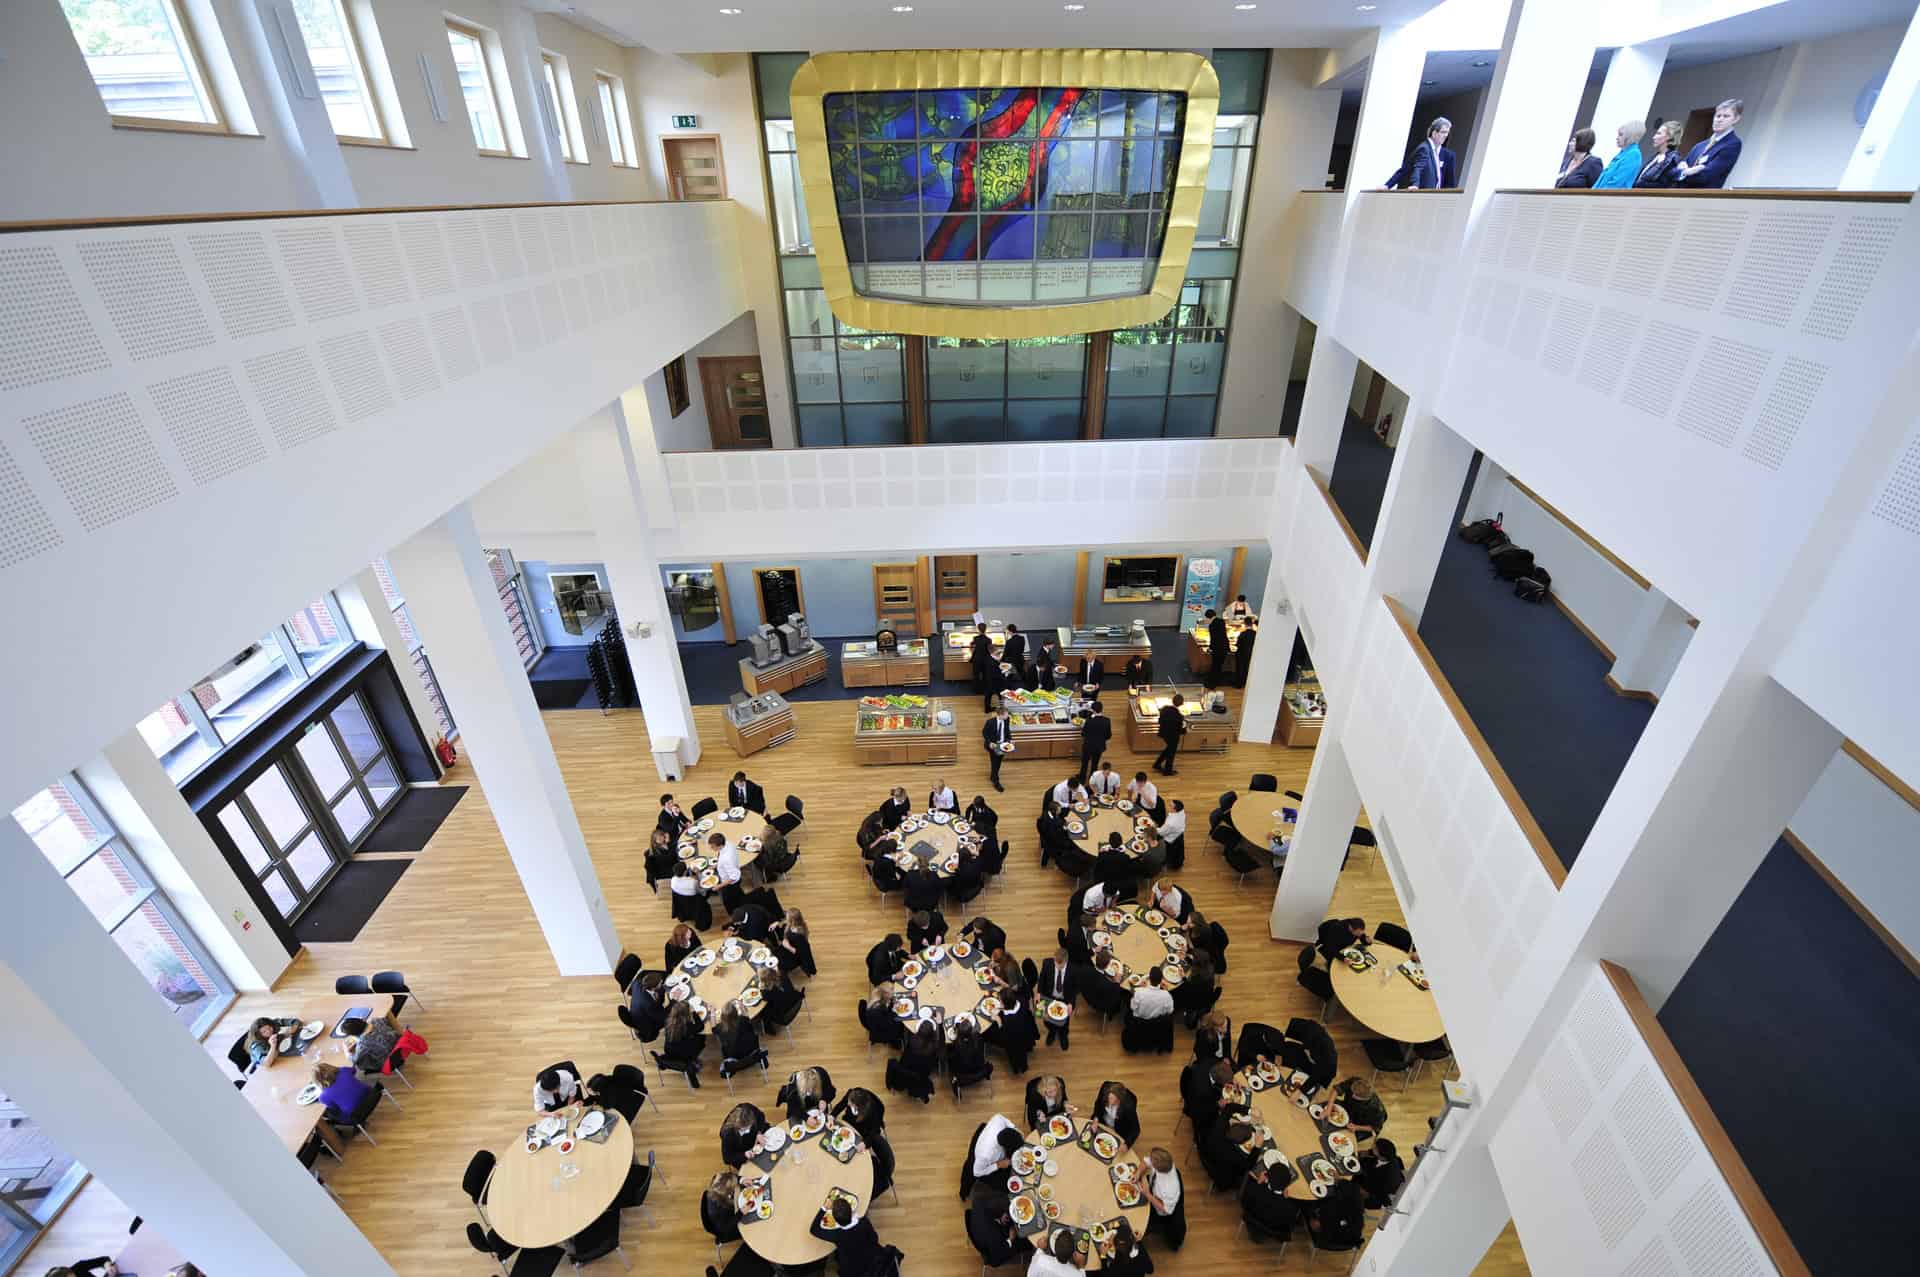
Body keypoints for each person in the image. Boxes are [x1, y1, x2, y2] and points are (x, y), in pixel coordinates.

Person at [1675, 98, 1744, 188]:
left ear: (1736, 119)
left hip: (1701, 198)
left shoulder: (1733, 144)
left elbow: (1705, 177)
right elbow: (1675, 170)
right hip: (1678, 194)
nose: (1719, 119)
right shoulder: (1699, 145)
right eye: (1718, 116)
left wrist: (1682, 173)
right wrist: (1685, 172)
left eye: (1726, 116)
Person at [1240, 1154, 1301, 1238]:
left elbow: (1244, 1201)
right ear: (1287, 1185)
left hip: (1252, 1219)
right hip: (1273, 1231)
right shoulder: (1290, 1209)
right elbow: (1289, 1223)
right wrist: (1286, 1199)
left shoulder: (1253, 1191)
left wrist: (1258, 1183)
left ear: (1267, 1178)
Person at [966, 1188, 1028, 1269]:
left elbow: (991, 1213)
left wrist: (1000, 1219)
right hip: (995, 1253)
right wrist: (1011, 1239)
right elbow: (999, 1254)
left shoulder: (977, 1202)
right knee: (1026, 1242)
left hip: (980, 1227)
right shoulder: (993, 1237)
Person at [1393, 116, 1456, 189]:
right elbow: (1415, 168)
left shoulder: (1449, 155)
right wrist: (1415, 184)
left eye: (1447, 133)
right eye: (1443, 132)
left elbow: (1450, 183)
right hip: (1425, 195)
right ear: (1434, 133)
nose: (1445, 135)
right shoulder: (1424, 148)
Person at [970, 1113, 1024, 1196]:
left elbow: (1002, 1118)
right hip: (986, 1168)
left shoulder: (998, 1121)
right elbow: (976, 1172)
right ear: (1005, 1147)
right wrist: (998, 1165)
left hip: (998, 1152)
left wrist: (1015, 1128)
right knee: (1005, 1184)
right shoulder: (986, 1155)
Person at [1142, 1148, 1186, 1249]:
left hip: (1162, 1212)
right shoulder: (1164, 1163)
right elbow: (1146, 1161)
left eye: (1152, 1161)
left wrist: (1148, 1195)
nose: (1149, 1159)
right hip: (1154, 1192)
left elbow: (1166, 1209)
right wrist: (1137, 1174)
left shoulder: (1169, 1189)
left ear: (1157, 1167)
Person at [1306, 1178, 1367, 1250]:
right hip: (1329, 1216)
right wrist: (1339, 1181)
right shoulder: (1356, 1204)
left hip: (1331, 1236)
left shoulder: (1351, 1224)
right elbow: (1354, 1190)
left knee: (1307, 1201)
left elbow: (1329, 1228)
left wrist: (1321, 1224)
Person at [1036, 948, 1077, 1049]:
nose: (1057, 967)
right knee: (1046, 1019)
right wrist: (1038, 992)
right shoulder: (1047, 963)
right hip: (1049, 997)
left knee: (1064, 1022)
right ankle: (1052, 1032)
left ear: (1066, 961)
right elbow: (1042, 979)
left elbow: (1075, 988)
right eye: (1056, 963)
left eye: (1060, 965)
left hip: (1064, 1000)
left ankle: (1063, 1035)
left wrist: (1071, 1003)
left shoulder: (1073, 969)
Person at [338, 1014, 399, 1080]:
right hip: (398, 1045)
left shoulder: (363, 1044)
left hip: (389, 1061)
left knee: (360, 1063)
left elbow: (354, 1059)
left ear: (354, 1035)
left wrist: (346, 1051)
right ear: (361, 1020)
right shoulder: (376, 1020)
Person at [948, 1017, 994, 1099]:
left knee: (950, 1064)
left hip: (963, 1077)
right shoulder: (978, 1038)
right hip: (980, 1071)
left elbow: (951, 1060)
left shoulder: (956, 1045)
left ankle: (956, 1087)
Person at [662, 1003, 707, 1084]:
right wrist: (694, 1013)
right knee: (702, 1038)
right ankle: (692, 1060)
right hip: (683, 1055)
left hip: (669, 1052)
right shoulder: (687, 1026)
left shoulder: (667, 1021)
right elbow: (700, 1027)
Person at [1633, 119, 1686, 188]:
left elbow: (1663, 185)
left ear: (1669, 136)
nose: (1653, 137)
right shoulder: (1657, 156)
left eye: (1658, 133)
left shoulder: (1673, 159)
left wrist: (1637, 185)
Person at [1593, 119, 1645, 189]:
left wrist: (1597, 195)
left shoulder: (1633, 155)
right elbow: (1603, 178)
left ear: (1630, 137)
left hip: (1610, 197)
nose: (1617, 138)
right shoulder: (1623, 153)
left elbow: (1616, 182)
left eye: (1621, 135)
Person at [1335, 1075, 1389, 1141]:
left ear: (1365, 1098)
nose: (1352, 1095)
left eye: (1355, 1095)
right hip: (1349, 1108)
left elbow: (1375, 1127)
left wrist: (1356, 1127)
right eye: (1352, 1092)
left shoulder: (1376, 1109)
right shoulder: (1356, 1082)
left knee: (1343, 1137)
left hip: (1360, 1123)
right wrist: (1329, 1108)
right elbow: (1337, 1089)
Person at [1358, 1137, 1406, 1208]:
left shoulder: (1388, 1179)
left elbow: (1382, 1199)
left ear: (1381, 1155)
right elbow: (1373, 1152)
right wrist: (1368, 1152)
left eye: (1374, 1148)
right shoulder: (1392, 1157)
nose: (1372, 1147)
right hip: (1370, 1173)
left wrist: (1366, 1194)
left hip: (1372, 1193)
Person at [720, 1101, 769, 1167]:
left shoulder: (749, 1109)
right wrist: (744, 1155)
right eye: (744, 1129)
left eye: (749, 1126)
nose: (748, 1130)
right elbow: (727, 1158)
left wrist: (759, 1132)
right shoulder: (728, 1134)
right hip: (741, 1151)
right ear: (736, 1125)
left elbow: (761, 1116)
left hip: (755, 1137)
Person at [1093, 1081, 1141, 1146]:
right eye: (1110, 1098)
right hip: (1102, 1123)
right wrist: (1096, 1119)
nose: (1111, 1103)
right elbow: (1098, 1104)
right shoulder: (1104, 1088)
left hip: (1118, 1130)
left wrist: (1126, 1145)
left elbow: (1136, 1129)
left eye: (1115, 1101)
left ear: (1121, 1099)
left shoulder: (1129, 1107)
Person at [770, 907, 815, 976]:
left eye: (787, 917)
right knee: (774, 954)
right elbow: (785, 923)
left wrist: (787, 946)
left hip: (794, 955)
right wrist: (777, 923)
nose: (786, 918)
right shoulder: (795, 924)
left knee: (778, 963)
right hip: (788, 945)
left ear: (792, 920)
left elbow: (800, 952)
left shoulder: (799, 936)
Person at [715, 1000, 760, 1065]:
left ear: (722, 1017)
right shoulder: (743, 1020)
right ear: (736, 1013)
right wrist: (741, 1004)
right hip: (752, 1052)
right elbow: (746, 1014)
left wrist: (712, 1013)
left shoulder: (720, 1028)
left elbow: (713, 1028)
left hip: (734, 1059)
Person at [1077, 699, 1112, 780]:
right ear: (1102, 709)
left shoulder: (1089, 721)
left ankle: (1082, 778)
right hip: (1099, 747)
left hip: (1088, 746)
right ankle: (1092, 780)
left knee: (1085, 763)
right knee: (1094, 764)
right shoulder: (1107, 721)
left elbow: (1083, 734)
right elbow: (1108, 735)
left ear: (1092, 710)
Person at [1154, 694, 1186, 775]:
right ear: (1181, 704)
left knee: (1168, 749)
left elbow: (1160, 721)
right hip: (1173, 737)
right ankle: (1168, 770)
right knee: (1171, 753)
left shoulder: (1165, 709)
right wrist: (1185, 729)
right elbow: (1179, 730)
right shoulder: (1179, 717)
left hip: (1164, 734)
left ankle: (1157, 764)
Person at [983, 705, 1013, 792]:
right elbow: (984, 733)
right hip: (994, 745)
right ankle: (996, 781)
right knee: (995, 762)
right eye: (1006, 714)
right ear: (1001, 715)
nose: (1008, 716)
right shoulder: (990, 722)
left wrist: (1010, 740)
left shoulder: (1007, 720)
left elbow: (1007, 731)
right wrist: (990, 743)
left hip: (1003, 745)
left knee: (999, 761)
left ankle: (993, 775)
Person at [645, 825, 679, 892]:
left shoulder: (664, 844)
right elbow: (671, 858)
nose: (661, 839)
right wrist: (669, 842)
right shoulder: (656, 853)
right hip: (666, 871)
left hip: (670, 864)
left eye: (661, 836)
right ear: (654, 841)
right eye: (658, 838)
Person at [971, 622, 996, 709]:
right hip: (985, 660)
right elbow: (990, 650)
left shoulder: (975, 638)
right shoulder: (989, 640)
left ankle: (977, 690)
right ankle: (985, 689)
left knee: (976, 675)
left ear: (978, 629)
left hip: (977, 660)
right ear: (985, 630)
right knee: (985, 675)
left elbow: (973, 644)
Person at [1204, 610, 1229, 688]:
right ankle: (1217, 680)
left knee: (1215, 666)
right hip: (1225, 648)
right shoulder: (1221, 621)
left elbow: (1214, 639)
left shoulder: (1212, 626)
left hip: (1218, 649)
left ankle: (1212, 684)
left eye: (1206, 618)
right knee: (1219, 665)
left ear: (1208, 617)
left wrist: (1210, 648)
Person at [1232, 619, 1257, 689]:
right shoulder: (1255, 634)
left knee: (1240, 669)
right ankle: (1248, 684)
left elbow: (1238, 644)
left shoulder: (1242, 634)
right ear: (1251, 624)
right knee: (1248, 669)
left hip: (1241, 654)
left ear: (1245, 624)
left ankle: (1238, 685)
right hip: (1252, 654)